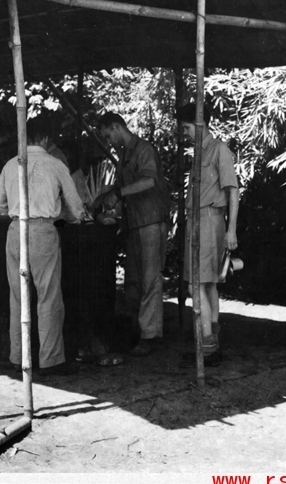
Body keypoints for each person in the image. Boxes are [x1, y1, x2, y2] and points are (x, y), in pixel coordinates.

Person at [0, 117, 85, 376]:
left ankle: (18, 356)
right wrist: (69, 215)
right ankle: (51, 359)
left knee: (17, 297)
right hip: (44, 230)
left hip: (14, 231)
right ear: (45, 139)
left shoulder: (10, 165)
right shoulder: (55, 164)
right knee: (48, 297)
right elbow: (77, 208)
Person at [94, 112, 171, 357]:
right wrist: (105, 195)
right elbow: (120, 188)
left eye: (108, 135)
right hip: (134, 224)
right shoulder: (123, 155)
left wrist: (119, 193)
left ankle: (150, 336)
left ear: (117, 127)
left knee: (150, 280)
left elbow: (148, 181)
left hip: (150, 221)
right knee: (134, 282)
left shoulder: (144, 149)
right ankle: (140, 332)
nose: (108, 141)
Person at [177, 103, 239, 366]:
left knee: (199, 284)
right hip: (197, 220)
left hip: (209, 220)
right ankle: (211, 344)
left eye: (188, 127)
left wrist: (232, 229)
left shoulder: (219, 150)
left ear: (200, 124)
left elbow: (233, 190)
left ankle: (207, 346)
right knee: (208, 284)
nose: (185, 132)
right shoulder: (199, 153)